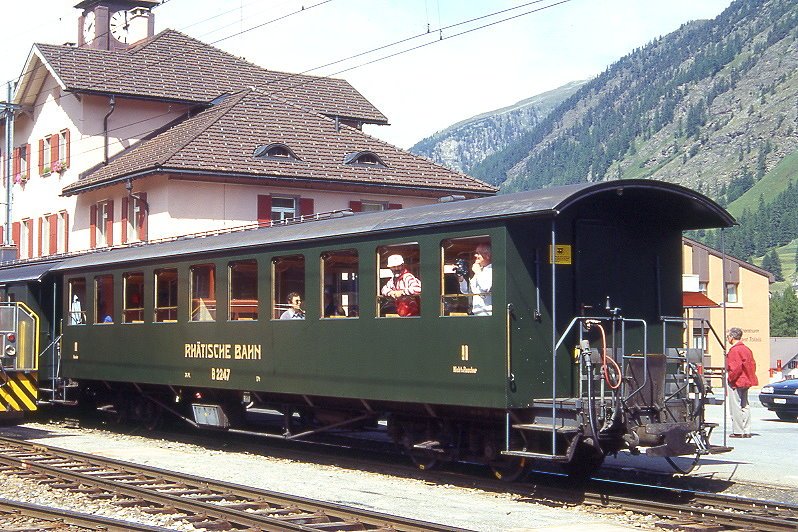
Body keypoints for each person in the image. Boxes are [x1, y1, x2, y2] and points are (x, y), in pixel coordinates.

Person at [726, 327, 758, 438]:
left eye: (728, 336)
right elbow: (752, 365)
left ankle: (738, 431)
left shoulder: (735, 350)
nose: (727, 339)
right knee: (745, 405)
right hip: (747, 380)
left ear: (732, 337)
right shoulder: (747, 349)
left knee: (735, 406)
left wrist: (730, 378)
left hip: (737, 381)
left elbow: (735, 368)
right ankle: (747, 430)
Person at [457, 243, 492, 316]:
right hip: (476, 314)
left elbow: (486, 287)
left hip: (488, 314)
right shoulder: (479, 270)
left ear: (487, 255)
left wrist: (478, 272)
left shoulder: (492, 270)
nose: (475, 255)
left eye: (478, 253)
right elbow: (467, 292)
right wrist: (461, 278)